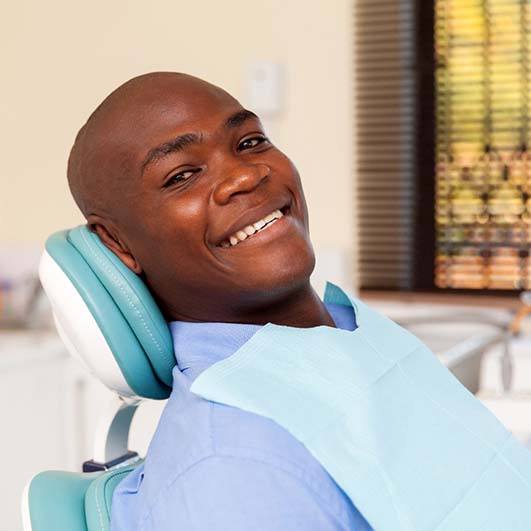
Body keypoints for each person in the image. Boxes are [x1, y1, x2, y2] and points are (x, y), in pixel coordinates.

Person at [67, 71, 371, 530]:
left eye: (249, 142)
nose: (245, 176)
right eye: (182, 176)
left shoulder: (350, 332)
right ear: (118, 244)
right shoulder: (236, 474)